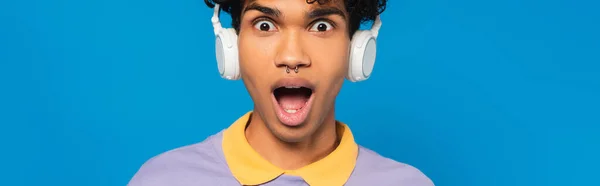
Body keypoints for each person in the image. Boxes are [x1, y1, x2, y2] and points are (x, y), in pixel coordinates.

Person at [128, 0, 434, 185]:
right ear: (232, 48)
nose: (292, 57)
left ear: (356, 49)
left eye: (322, 26)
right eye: (264, 25)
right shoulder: (162, 180)